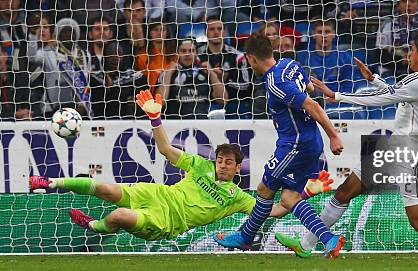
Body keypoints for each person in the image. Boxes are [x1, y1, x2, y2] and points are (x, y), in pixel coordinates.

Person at [276, 33, 418, 260]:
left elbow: (385, 98)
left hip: (408, 155)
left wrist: (335, 95)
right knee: (344, 192)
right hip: (392, 149)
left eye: (411, 50)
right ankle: (307, 243)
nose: (408, 55)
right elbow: (395, 92)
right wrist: (373, 79)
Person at [29, 89, 334, 241]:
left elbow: (276, 209)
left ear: (238, 168)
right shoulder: (200, 166)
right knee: (106, 188)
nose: (222, 165)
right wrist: (154, 117)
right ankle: (50, 183)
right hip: (160, 194)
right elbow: (163, 148)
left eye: (229, 162)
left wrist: (309, 190)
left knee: (119, 215)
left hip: (169, 222)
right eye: (220, 160)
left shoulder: (238, 198)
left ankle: (94, 227)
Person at [213, 32, 346, 258]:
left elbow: (311, 104)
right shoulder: (289, 64)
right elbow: (310, 88)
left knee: (265, 189)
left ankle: (245, 237)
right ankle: (329, 239)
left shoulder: (276, 82)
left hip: (295, 144)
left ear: (251, 59)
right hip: (309, 140)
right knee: (289, 198)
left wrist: (334, 135)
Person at [157, 38, 227, 119]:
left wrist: (211, 73)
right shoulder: (168, 73)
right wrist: (168, 74)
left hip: (202, 124)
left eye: (191, 51)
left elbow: (223, 100)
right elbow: (160, 103)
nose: (188, 54)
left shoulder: (205, 72)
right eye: (183, 51)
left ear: (196, 53)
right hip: (176, 126)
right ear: (177, 54)